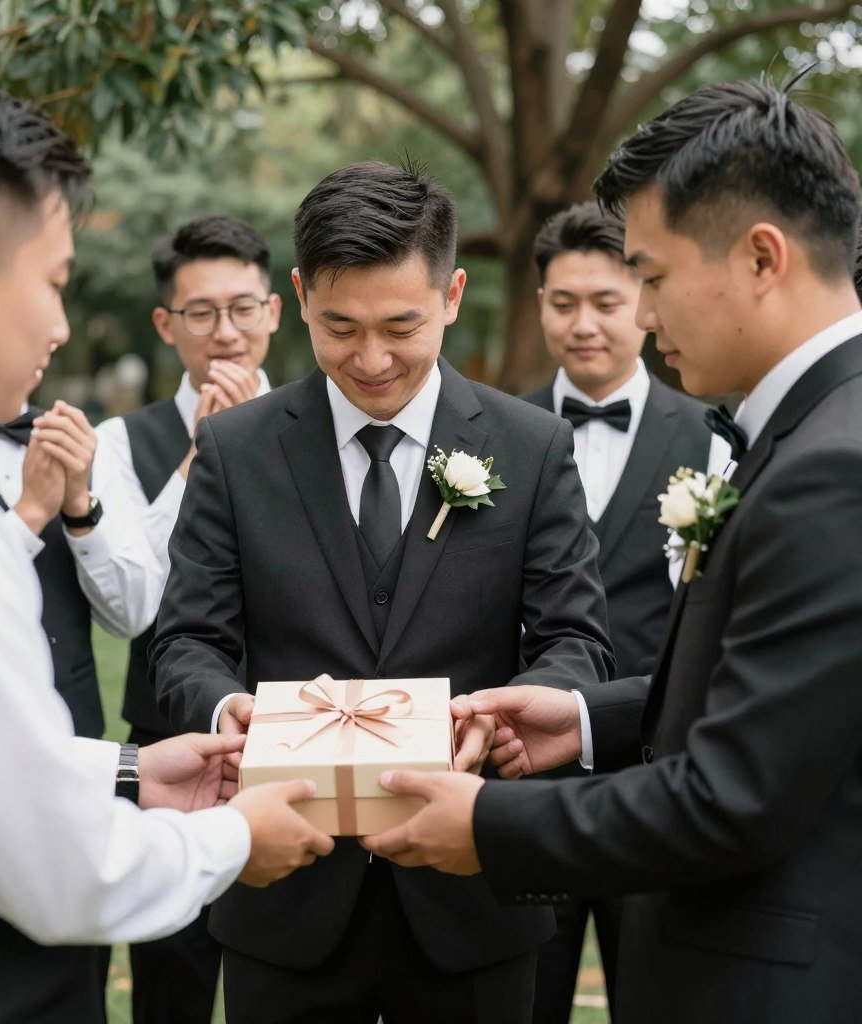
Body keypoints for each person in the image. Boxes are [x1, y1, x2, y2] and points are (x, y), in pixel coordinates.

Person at [362, 80, 862, 1024]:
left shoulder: (833, 467)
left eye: (652, 279)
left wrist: (486, 822)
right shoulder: (816, 429)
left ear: (763, 258)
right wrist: (589, 719)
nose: (643, 317)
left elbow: (733, 797)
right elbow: (782, 699)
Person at [0, 72, 333, 1024]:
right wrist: (235, 838)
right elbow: (64, 873)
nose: (62, 326)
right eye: (56, 282)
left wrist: (128, 773)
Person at [149, 159, 614, 1024]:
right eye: (340, 327)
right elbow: (185, 643)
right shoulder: (235, 450)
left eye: (401, 326)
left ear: (452, 295)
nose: (370, 360)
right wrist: (226, 710)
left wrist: (509, 717)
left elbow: (576, 642)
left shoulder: (533, 447)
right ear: (299, 297)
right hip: (286, 899)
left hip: (472, 898)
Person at [523, 201, 715, 1023]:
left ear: (643, 297)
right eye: (563, 303)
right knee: (527, 997)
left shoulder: (713, 435)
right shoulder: (495, 431)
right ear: (540, 304)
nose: (583, 325)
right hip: (531, 777)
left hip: (657, 772)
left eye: (606, 301)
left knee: (658, 994)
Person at [94, 215, 279, 1024]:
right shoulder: (118, 441)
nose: (226, 332)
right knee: (171, 987)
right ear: (167, 324)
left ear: (275, 312)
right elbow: (134, 601)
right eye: (201, 313)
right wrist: (201, 458)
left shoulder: (322, 423)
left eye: (242, 308)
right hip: (171, 750)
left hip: (289, 743)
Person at [0, 397, 163, 739]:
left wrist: (80, 509)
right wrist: (30, 515)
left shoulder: (83, 442)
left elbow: (132, 615)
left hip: (76, 729)